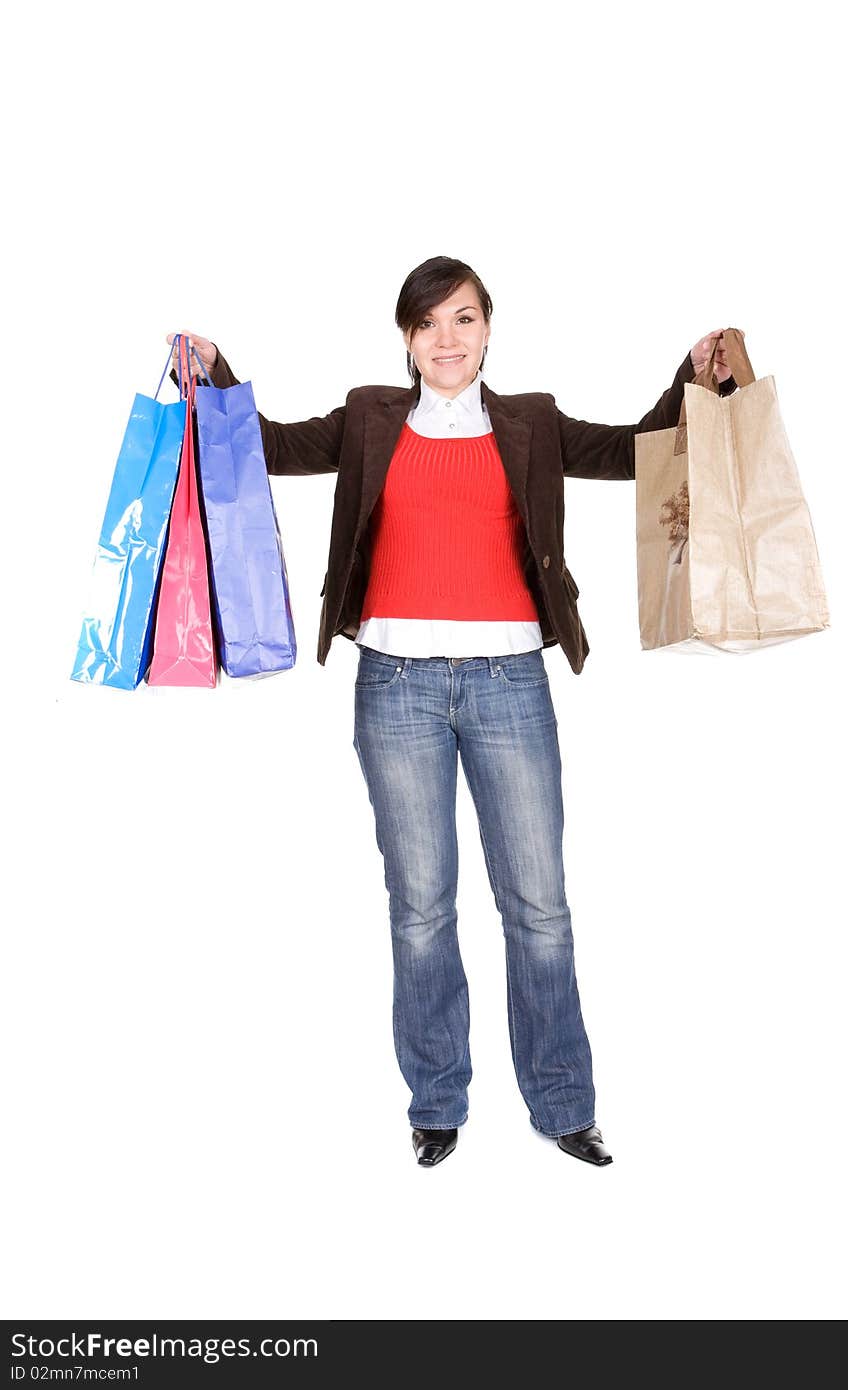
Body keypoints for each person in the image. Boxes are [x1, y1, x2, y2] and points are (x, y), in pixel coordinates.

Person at [168, 256, 736, 1169]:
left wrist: (691, 378)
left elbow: (640, 450)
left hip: (511, 683)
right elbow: (265, 447)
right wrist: (217, 372)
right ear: (406, 336)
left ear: (487, 331)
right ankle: (437, 1101)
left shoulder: (533, 424)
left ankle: (562, 1105)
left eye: (464, 319)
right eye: (429, 322)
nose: (447, 338)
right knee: (421, 907)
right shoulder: (367, 417)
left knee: (539, 907)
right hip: (395, 685)